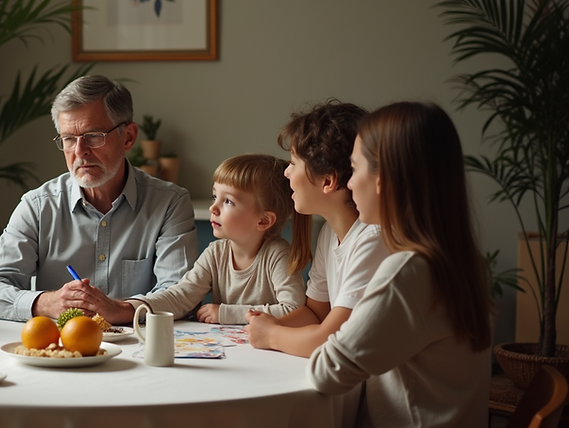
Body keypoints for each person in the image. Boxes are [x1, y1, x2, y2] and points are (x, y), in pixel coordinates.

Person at [308, 102, 492, 426]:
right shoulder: (463, 262)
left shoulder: (407, 273)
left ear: (384, 179)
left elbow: (327, 372)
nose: (349, 184)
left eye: (355, 168)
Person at [0, 75, 198, 323]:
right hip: (59, 353)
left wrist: (120, 310)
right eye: (69, 139)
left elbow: (182, 295)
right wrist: (47, 303)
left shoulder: (169, 203)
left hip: (138, 352)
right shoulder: (37, 206)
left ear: (128, 137)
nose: (80, 152)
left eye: (93, 136)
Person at [246, 100, 388, 357]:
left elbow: (333, 340)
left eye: (293, 163)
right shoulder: (329, 233)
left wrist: (272, 335)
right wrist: (266, 323)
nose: (287, 173)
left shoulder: (373, 240)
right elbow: (315, 313)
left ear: (328, 181)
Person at [130, 154, 309, 324]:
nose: (213, 208)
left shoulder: (277, 255)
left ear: (263, 220)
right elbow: (182, 296)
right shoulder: (215, 253)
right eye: (215, 196)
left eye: (228, 201)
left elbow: (294, 310)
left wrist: (226, 313)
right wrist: (132, 307)